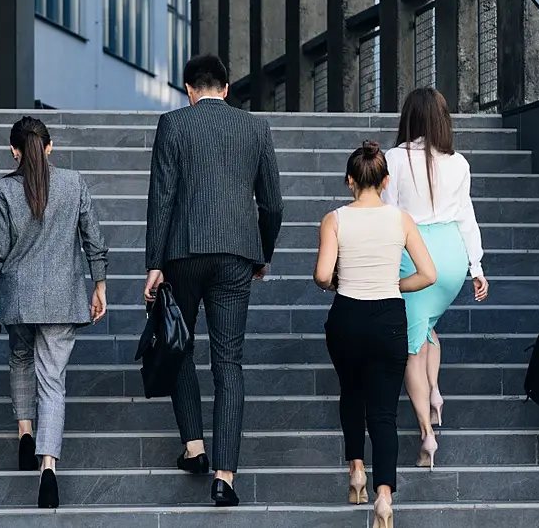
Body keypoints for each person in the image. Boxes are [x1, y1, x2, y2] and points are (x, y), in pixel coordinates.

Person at [143, 53, 284, 506]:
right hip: (237, 254)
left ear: (189, 89)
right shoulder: (255, 128)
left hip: (183, 252)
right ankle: (225, 476)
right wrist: (261, 252)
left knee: (179, 342)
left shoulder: (173, 125)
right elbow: (274, 205)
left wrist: (154, 263)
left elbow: (161, 198)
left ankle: (194, 447)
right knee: (229, 361)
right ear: (226, 88)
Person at [0, 116, 108, 509]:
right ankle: (48, 467)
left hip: (17, 297)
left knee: (19, 357)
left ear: (14, 150)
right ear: (49, 147)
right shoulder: (73, 182)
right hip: (62, 297)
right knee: (53, 381)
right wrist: (99, 285)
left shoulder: (5, 189)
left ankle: (25, 432)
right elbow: (93, 240)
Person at [314, 141, 438, 528]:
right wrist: (397, 284)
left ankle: (355, 472)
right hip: (388, 317)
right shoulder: (401, 220)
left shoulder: (334, 219)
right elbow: (429, 274)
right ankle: (384, 497)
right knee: (383, 411)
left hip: (347, 315)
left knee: (351, 395)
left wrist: (339, 282)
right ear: (385, 181)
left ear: (350, 180)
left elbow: (321, 275)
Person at [380, 88, 488, 468]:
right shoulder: (459, 163)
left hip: (413, 255)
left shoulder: (392, 158)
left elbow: (389, 215)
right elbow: (466, 217)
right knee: (425, 328)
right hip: (451, 256)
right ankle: (436, 394)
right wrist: (476, 267)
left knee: (411, 345)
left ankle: (426, 432)